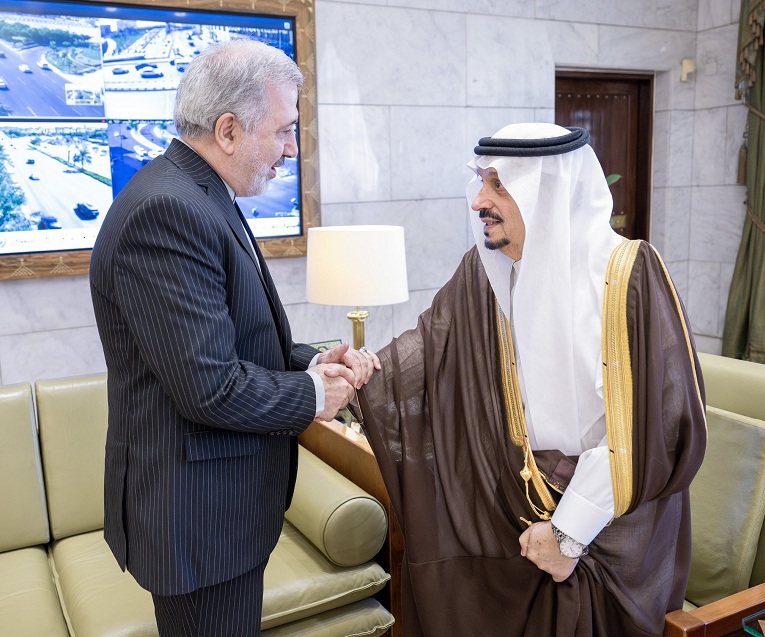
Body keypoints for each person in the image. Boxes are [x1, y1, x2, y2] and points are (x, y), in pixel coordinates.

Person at [357, 122, 707, 636]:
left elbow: (656, 429)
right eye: (481, 182)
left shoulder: (628, 276)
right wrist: (354, 374)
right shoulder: (485, 273)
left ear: (547, 191)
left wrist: (568, 533)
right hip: (512, 505)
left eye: (499, 185)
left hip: (611, 523)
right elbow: (424, 351)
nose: (480, 200)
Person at [89, 40, 377, 635]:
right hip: (198, 526)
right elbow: (208, 386)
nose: (292, 149)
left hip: (221, 516)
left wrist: (314, 359)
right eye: (284, 130)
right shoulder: (167, 210)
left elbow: (233, 342)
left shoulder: (196, 191)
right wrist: (315, 395)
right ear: (227, 129)